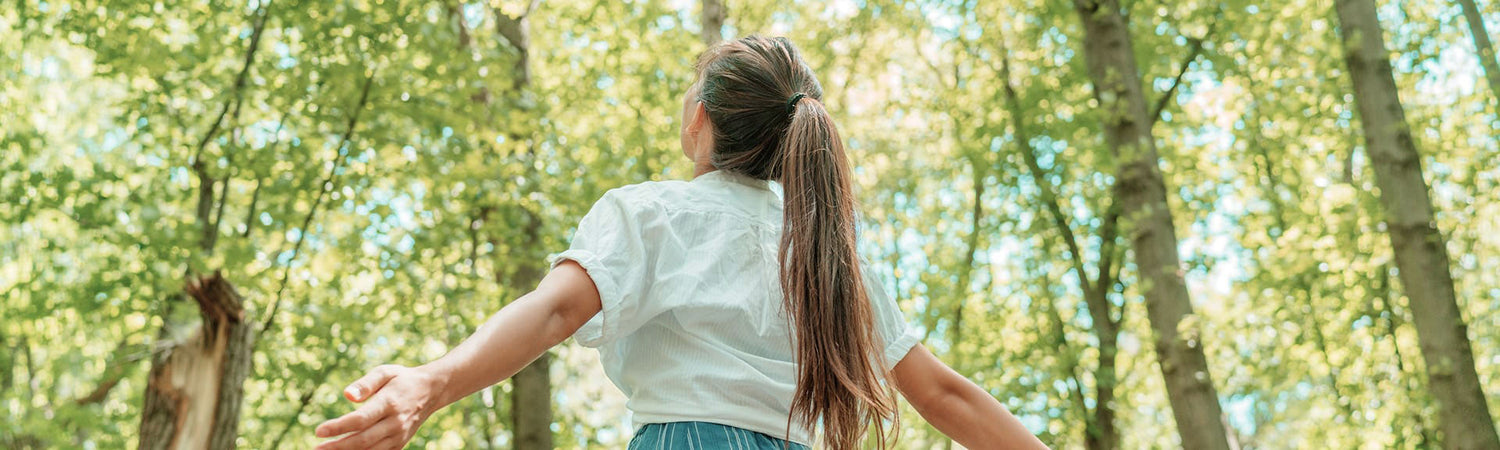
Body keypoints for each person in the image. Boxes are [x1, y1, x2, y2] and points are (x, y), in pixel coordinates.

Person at [315, 35, 1048, 450]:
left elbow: (552, 313)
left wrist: (432, 382)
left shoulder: (652, 214)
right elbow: (943, 395)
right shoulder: (829, 256)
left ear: (700, 116)